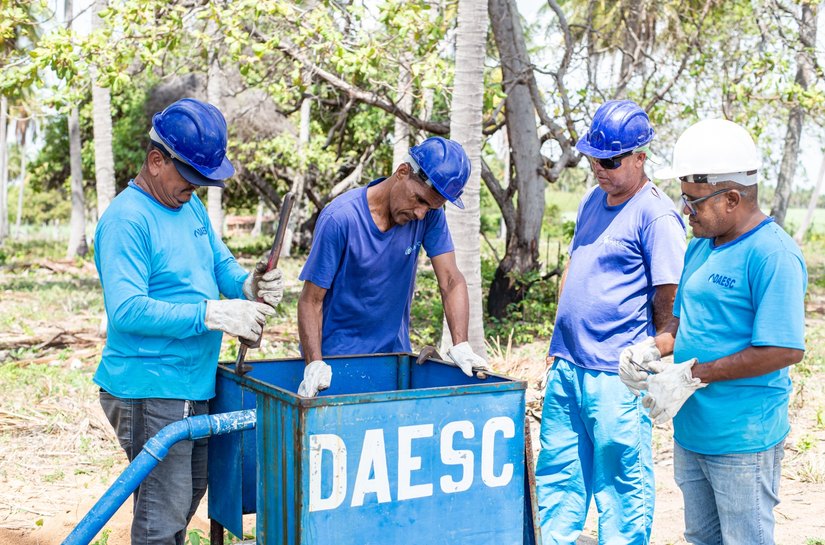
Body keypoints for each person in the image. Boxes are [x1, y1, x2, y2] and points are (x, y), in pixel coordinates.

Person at [93, 97, 284, 545]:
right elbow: (127, 310)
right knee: (161, 516)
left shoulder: (188, 206)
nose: (196, 189)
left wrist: (248, 285)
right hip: (150, 385)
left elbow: (220, 265)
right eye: (190, 177)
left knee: (185, 498)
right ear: (156, 161)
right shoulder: (127, 220)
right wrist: (212, 313)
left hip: (191, 383)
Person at [620, 119, 807, 544]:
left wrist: (693, 375)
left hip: (742, 438)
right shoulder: (702, 245)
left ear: (732, 198)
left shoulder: (772, 254)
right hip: (693, 430)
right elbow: (684, 320)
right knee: (702, 539)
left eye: (693, 202)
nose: (686, 212)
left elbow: (783, 349)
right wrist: (652, 348)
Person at [535, 100, 687, 544]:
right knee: (559, 473)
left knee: (621, 485)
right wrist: (555, 346)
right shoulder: (591, 200)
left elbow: (671, 297)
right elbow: (574, 266)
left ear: (641, 157)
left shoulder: (656, 215)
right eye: (593, 158)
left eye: (610, 160)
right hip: (568, 367)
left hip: (616, 376)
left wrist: (657, 350)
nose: (599, 168)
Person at [296, 136, 489, 396]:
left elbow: (451, 280)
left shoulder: (430, 216)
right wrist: (314, 364)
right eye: (419, 200)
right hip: (336, 365)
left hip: (392, 359)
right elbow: (311, 301)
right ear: (402, 172)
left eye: (431, 207)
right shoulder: (340, 219)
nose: (421, 213)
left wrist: (461, 344)